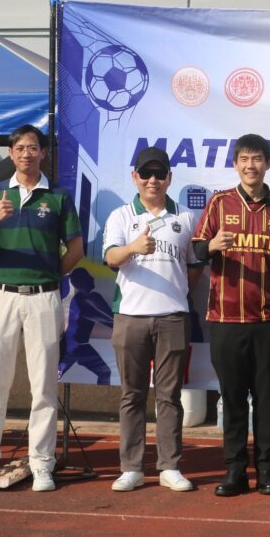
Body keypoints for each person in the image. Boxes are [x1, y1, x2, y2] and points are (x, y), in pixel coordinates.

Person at [0, 124, 84, 492]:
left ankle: (42, 463)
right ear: (11, 153)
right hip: (2, 296)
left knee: (43, 386)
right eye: (20, 148)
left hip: (44, 298)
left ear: (42, 153)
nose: (26, 154)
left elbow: (76, 249)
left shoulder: (59, 196)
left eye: (33, 148)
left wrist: (50, 275)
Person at [193, 133, 270, 497]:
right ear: (235, 164)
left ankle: (268, 472)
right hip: (225, 319)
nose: (251, 165)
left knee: (266, 398)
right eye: (244, 159)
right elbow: (197, 250)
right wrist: (212, 245)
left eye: (257, 158)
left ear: (268, 163)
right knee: (233, 398)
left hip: (268, 321)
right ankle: (235, 471)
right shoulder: (219, 202)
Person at [104, 147, 202, 493]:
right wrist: (133, 248)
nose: (152, 180)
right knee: (131, 395)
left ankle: (169, 466)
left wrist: (176, 295)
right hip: (130, 317)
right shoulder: (120, 215)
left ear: (169, 178)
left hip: (173, 317)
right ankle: (131, 468)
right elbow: (111, 257)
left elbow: (194, 268)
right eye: (146, 173)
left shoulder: (186, 217)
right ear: (135, 177)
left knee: (169, 396)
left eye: (159, 174)